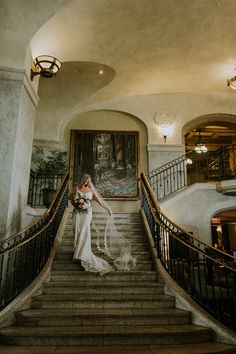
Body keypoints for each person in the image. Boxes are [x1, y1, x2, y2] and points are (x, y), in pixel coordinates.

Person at [71, 174, 136, 275]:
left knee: (85, 231)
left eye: (89, 181)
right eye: (86, 181)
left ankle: (82, 255)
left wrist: (108, 209)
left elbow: (100, 201)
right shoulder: (77, 188)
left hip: (87, 213)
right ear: (83, 180)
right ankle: (77, 253)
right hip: (78, 213)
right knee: (78, 231)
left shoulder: (91, 190)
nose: (87, 183)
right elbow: (72, 200)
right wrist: (77, 204)